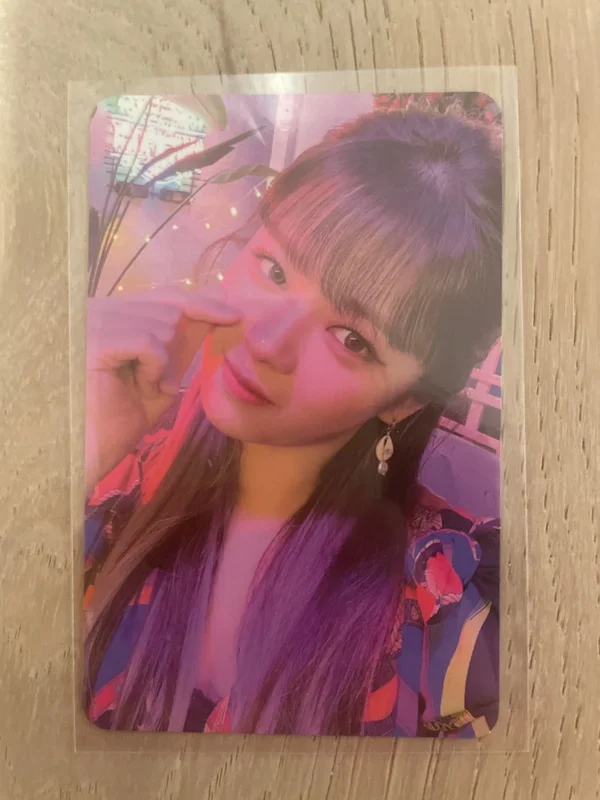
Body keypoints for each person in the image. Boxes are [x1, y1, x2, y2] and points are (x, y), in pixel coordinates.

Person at [83, 105, 502, 737]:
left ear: (407, 400)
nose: (266, 340)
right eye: (274, 269)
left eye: (351, 338)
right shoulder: (112, 479)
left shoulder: (451, 602)